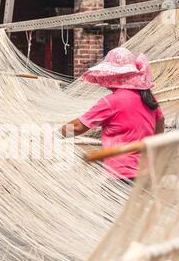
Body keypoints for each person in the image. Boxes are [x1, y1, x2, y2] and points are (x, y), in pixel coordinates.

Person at [61, 48, 165, 182]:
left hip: (120, 174)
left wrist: (52, 135)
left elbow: (77, 127)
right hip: (146, 173)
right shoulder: (149, 98)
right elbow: (160, 125)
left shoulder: (112, 102)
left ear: (115, 76)